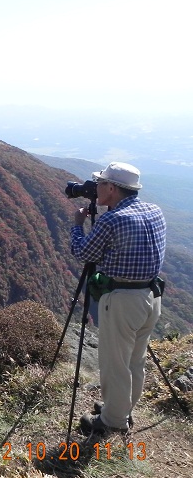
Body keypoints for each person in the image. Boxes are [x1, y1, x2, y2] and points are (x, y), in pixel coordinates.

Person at [70, 161, 166, 435]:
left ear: (111, 188)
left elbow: (83, 253)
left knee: (115, 364)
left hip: (123, 300)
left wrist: (78, 223)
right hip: (151, 296)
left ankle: (112, 423)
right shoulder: (154, 211)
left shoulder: (113, 220)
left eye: (100, 183)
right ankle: (122, 409)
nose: (96, 187)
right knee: (135, 361)